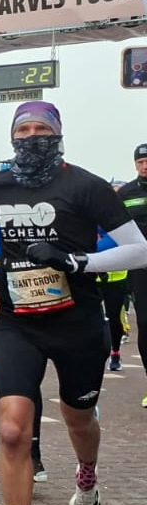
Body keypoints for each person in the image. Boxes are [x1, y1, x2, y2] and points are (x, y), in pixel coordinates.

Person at [0, 102, 147, 505]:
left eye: (42, 128)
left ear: (58, 134)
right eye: (24, 128)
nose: (32, 136)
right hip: (19, 323)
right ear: (12, 135)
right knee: (14, 429)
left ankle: (87, 476)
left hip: (78, 323)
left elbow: (139, 248)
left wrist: (77, 260)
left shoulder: (84, 186)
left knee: (79, 418)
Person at [117, 143, 147, 403]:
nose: (145, 165)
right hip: (140, 268)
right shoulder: (126, 193)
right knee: (146, 324)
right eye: (140, 161)